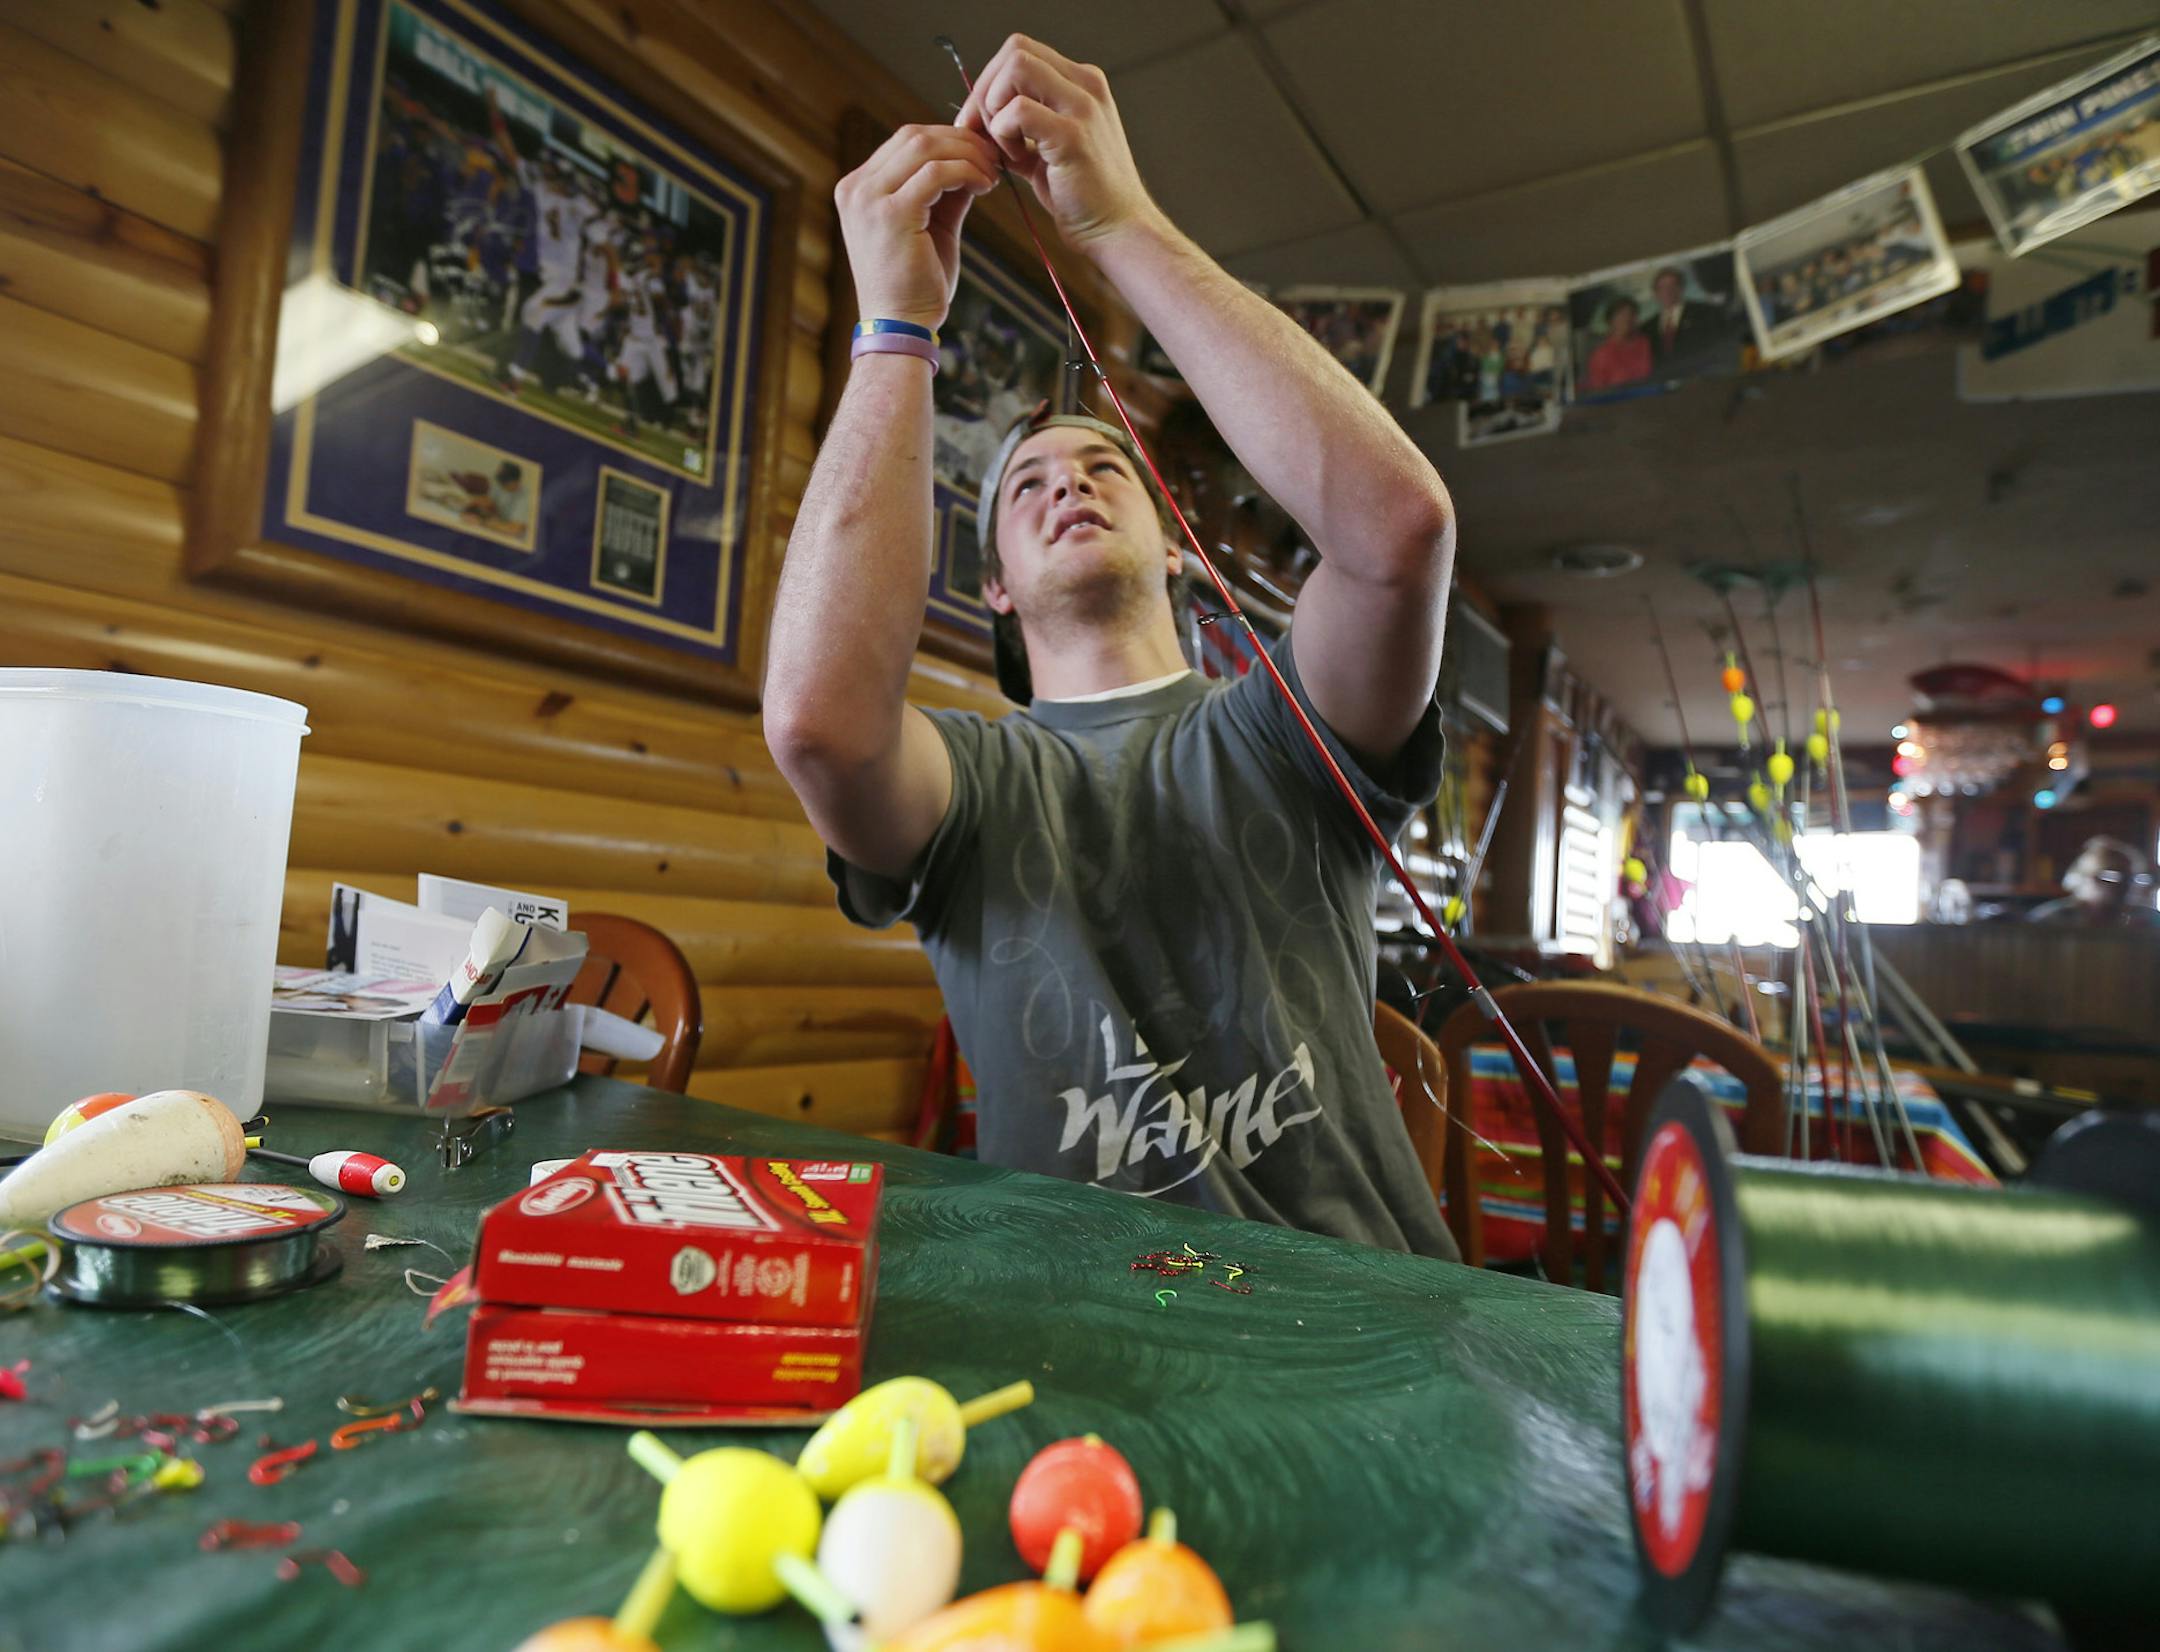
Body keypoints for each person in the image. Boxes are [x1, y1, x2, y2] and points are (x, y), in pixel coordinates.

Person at [763, 36, 1460, 1259]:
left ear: (1179, 549)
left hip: (1361, 1323)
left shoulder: (1284, 729)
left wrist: (1122, 223)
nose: (1068, 484)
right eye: (1025, 483)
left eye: (1105, 468)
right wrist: (893, 329)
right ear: (994, 587)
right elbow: (819, 724)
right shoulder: (974, 786)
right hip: (1075, 1326)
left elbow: (1400, 533)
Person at [2027, 837, 2160, 928]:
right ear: (2086, 878)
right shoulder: (2052, 920)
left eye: (2132, 878)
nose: (2126, 885)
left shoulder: (2149, 920)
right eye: (2113, 876)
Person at [1642, 264, 1727, 378]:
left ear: (1681, 288)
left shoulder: (1705, 312)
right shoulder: (1647, 328)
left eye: (1672, 285)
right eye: (1662, 287)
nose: (1667, 291)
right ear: (1655, 293)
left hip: (1703, 377)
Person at [1583, 296, 1650, 392]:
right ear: (1611, 321)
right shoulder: (1601, 355)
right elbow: (1598, 392)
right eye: (1621, 315)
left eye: (1631, 314)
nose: (1627, 319)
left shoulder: (1646, 344)